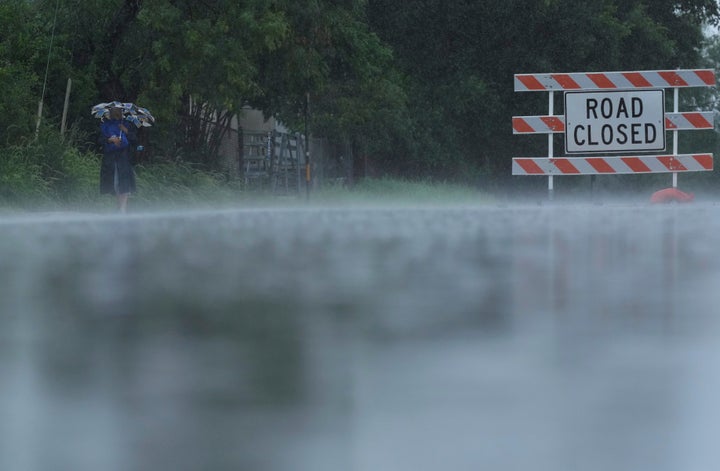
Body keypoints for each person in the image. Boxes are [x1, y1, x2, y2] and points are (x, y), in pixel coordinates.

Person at [100, 107, 136, 213]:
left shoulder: (126, 124)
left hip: (124, 158)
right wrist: (110, 140)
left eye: (117, 112)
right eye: (113, 112)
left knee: (124, 183)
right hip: (111, 159)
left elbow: (134, 139)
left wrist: (125, 130)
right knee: (116, 183)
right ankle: (120, 206)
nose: (115, 114)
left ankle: (123, 207)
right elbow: (100, 139)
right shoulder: (106, 125)